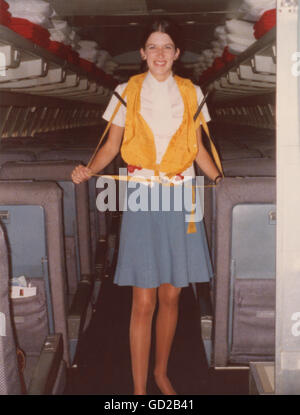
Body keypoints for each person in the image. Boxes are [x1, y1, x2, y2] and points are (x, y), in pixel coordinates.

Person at [71, 19, 223, 395]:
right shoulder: (126, 91)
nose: (159, 54)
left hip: (182, 195)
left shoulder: (192, 92)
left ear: (176, 54)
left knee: (172, 294)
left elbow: (198, 148)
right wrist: (88, 169)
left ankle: (161, 373)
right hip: (142, 194)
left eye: (166, 47)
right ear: (142, 53)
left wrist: (221, 180)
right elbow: (111, 144)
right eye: (152, 47)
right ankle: (139, 389)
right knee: (143, 299)